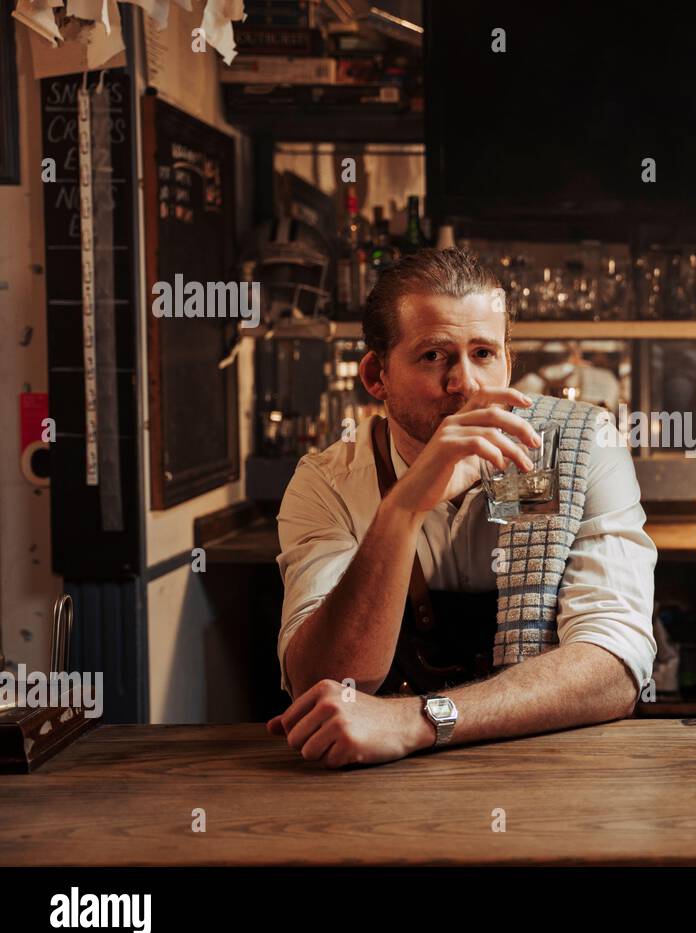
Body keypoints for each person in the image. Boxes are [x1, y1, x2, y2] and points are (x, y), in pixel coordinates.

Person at [269, 248, 656, 767]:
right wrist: (402, 508)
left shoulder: (584, 445)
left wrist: (418, 720)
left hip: (552, 764)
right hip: (381, 785)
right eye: (434, 356)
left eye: (483, 354)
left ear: (509, 362)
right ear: (375, 376)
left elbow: (615, 669)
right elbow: (324, 681)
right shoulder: (328, 482)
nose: (465, 384)